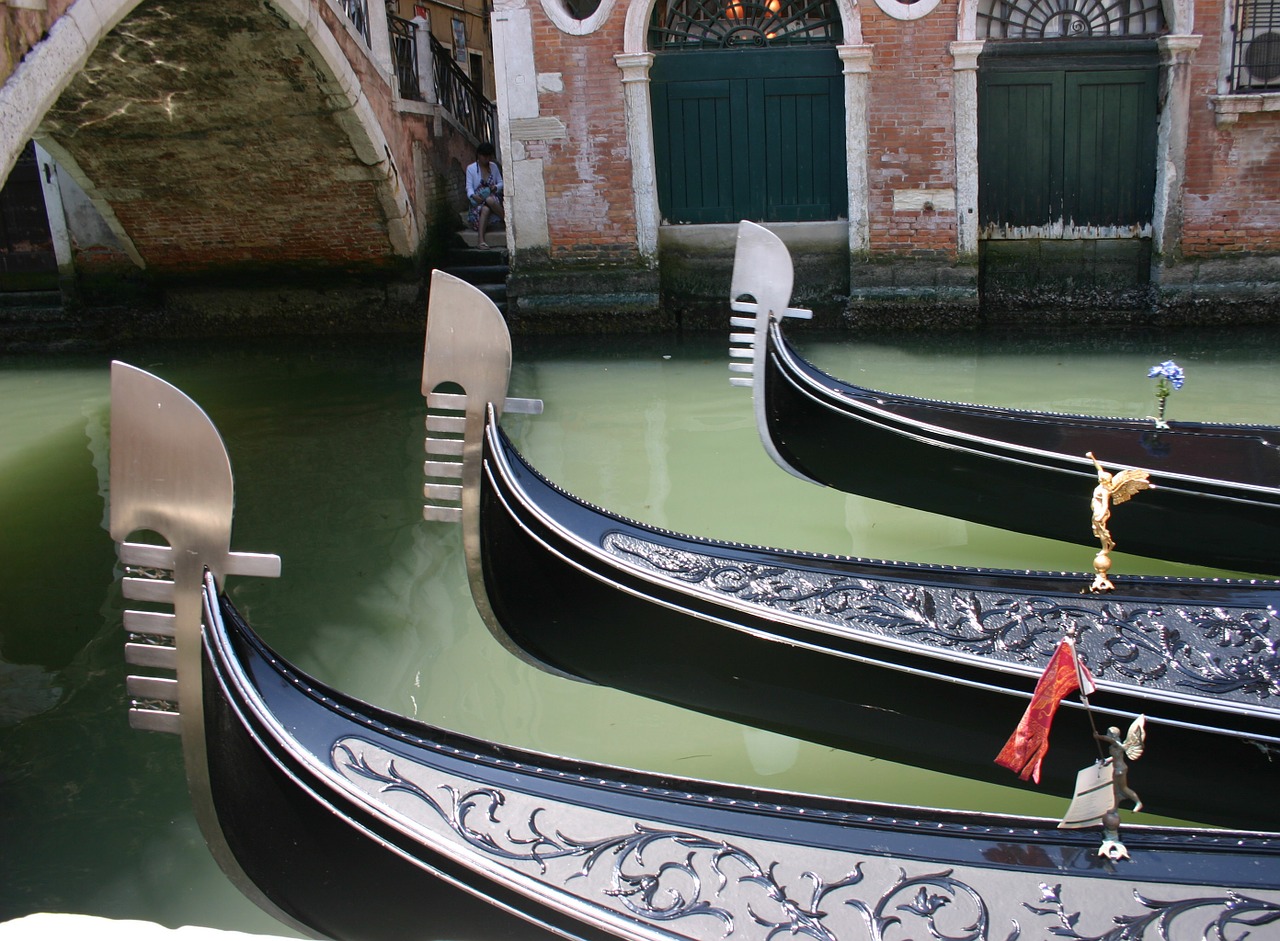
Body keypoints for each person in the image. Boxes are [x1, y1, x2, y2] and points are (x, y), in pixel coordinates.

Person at [465, 142, 504, 250]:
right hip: (478, 202)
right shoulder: (471, 169)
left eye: (489, 156)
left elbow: (501, 182)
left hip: (493, 199)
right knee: (485, 209)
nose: (486, 159)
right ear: (479, 155)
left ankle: (505, 220)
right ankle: (480, 240)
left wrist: (495, 187)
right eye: (484, 156)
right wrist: (473, 196)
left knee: (490, 200)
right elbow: (469, 187)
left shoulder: (493, 167)